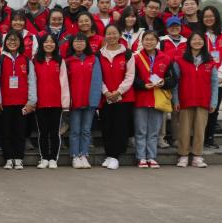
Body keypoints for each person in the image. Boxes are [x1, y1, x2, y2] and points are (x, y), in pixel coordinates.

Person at [172, 33, 219, 168]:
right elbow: (175, 83)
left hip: (203, 101)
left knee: (200, 130)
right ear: (189, 42)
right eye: (194, 39)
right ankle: (183, 155)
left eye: (200, 39)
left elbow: (214, 83)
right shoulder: (180, 61)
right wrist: (176, 100)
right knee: (184, 130)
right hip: (185, 100)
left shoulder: (210, 62)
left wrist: (213, 102)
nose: (197, 41)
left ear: (204, 42)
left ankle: (197, 156)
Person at [131, 30, 174, 168]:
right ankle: (141, 157)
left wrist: (164, 83)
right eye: (146, 39)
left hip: (158, 99)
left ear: (157, 42)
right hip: (141, 99)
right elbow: (131, 78)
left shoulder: (166, 58)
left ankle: (151, 156)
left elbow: (173, 79)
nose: (149, 42)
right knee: (141, 130)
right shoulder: (135, 58)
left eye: (152, 39)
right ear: (142, 42)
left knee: (154, 131)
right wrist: (142, 85)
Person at [97, 25, 136, 170]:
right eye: (108, 34)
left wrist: (119, 92)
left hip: (124, 98)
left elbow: (130, 76)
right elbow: (97, 76)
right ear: (105, 36)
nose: (111, 36)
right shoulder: (99, 54)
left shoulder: (128, 54)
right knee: (107, 126)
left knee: (120, 127)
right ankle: (109, 154)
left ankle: (115, 156)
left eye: (114, 33)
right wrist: (106, 92)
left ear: (120, 35)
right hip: (105, 97)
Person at [30, 33, 70, 168]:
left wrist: (65, 102)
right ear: (41, 44)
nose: (49, 44)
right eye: (46, 42)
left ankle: (53, 158)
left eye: (52, 42)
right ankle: (44, 158)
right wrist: (32, 101)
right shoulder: (35, 61)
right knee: (43, 132)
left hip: (56, 103)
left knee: (54, 132)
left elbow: (64, 82)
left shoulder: (59, 60)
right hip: (40, 103)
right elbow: (32, 82)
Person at [0, 32, 33, 170]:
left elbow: (32, 81)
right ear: (5, 42)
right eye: (10, 40)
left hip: (22, 103)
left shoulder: (26, 60)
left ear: (20, 42)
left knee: (20, 132)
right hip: (5, 103)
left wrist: (31, 101)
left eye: (15, 40)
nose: (12, 42)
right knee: (6, 132)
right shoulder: (0, 59)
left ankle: (19, 158)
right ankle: (8, 158)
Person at [65, 33, 103, 169]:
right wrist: (68, 100)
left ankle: (84, 155)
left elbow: (97, 80)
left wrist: (95, 100)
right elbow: (65, 82)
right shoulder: (67, 61)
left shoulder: (93, 59)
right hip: (74, 100)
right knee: (75, 130)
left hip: (90, 101)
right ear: (72, 44)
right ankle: (75, 155)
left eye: (82, 41)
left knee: (86, 130)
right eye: (76, 41)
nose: (79, 43)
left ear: (86, 44)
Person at [200, 5, 222, 149]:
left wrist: (220, 74)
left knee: (214, 108)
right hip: (202, 78)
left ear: (216, 17)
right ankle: (199, 138)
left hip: (219, 79)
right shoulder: (199, 34)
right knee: (201, 109)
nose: (208, 19)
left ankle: (210, 138)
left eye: (211, 16)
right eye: (205, 16)